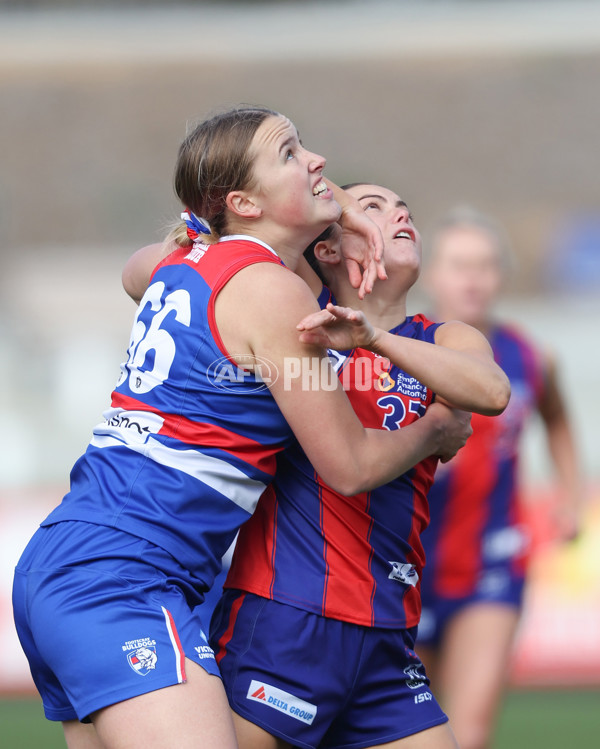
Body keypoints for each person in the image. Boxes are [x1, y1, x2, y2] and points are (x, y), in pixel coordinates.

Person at [11, 106, 472, 749]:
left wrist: (327, 204)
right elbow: (352, 467)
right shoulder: (275, 294)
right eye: (290, 154)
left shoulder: (186, 261)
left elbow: (138, 266)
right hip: (125, 574)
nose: (316, 161)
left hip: (72, 558)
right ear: (243, 202)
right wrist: (436, 432)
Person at [208, 184, 510, 749]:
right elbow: (146, 271)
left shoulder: (443, 338)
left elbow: (492, 391)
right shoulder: (295, 325)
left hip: (389, 630)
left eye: (405, 210)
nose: (400, 214)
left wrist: (374, 338)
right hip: (286, 619)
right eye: (371, 208)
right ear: (326, 250)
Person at [416, 206, 582, 749]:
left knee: (469, 734)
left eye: (486, 265)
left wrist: (570, 493)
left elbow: (557, 421)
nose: (473, 278)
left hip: (493, 560)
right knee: (409, 731)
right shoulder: (401, 350)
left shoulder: (531, 355)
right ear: (432, 273)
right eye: (460, 264)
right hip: (406, 564)